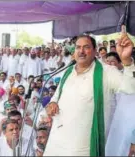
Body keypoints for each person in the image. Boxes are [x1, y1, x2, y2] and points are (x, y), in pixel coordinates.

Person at [43, 25, 135, 156]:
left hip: (82, 148)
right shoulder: (68, 72)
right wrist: (52, 104)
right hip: (57, 142)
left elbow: (131, 88)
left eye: (86, 47)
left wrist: (127, 62)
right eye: (78, 47)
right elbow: (56, 97)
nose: (81, 51)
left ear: (94, 51)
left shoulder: (106, 72)